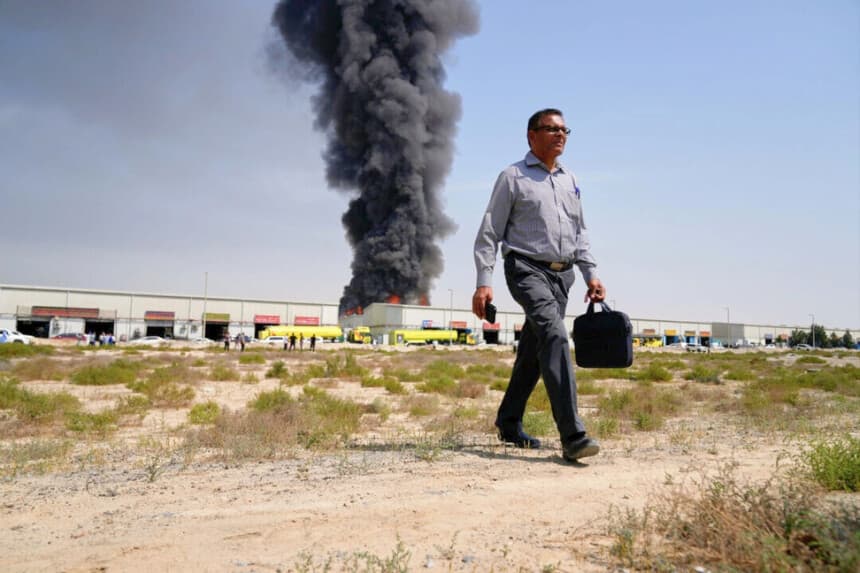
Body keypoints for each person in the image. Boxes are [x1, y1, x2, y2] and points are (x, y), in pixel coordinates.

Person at [472, 108, 607, 463]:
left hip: (563, 275)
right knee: (556, 336)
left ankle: (509, 421)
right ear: (532, 135)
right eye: (551, 128)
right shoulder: (513, 177)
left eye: (564, 130)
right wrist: (484, 282)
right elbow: (489, 231)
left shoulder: (570, 179)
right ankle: (573, 436)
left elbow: (580, 233)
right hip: (526, 269)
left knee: (534, 352)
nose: (560, 134)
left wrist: (591, 274)